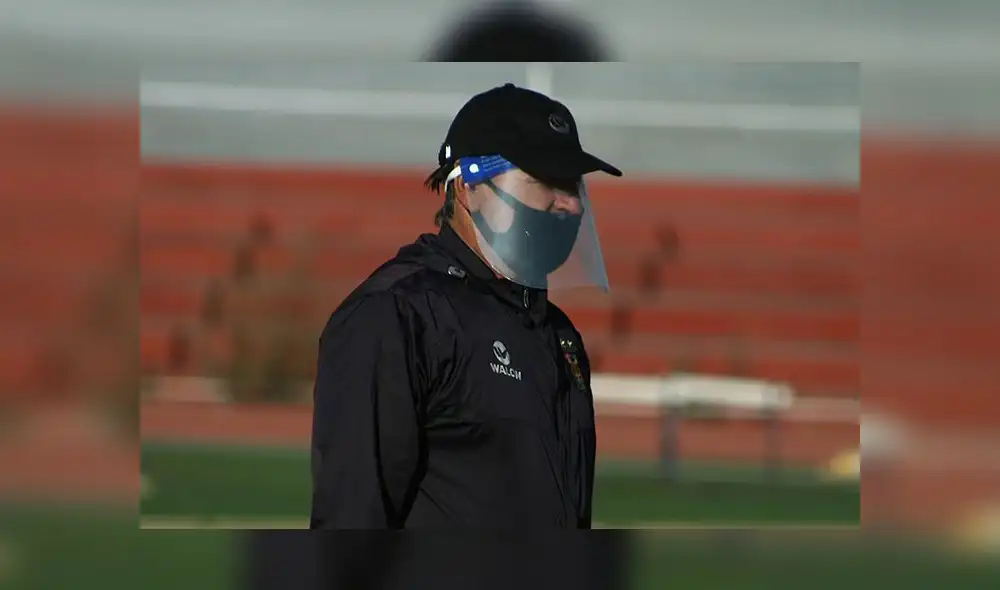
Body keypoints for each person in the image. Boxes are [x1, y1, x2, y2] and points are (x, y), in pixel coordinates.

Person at [309, 82, 622, 529]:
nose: (570, 204)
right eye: (546, 181)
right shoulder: (397, 317)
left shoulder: (559, 335)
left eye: (572, 183)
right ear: (468, 186)